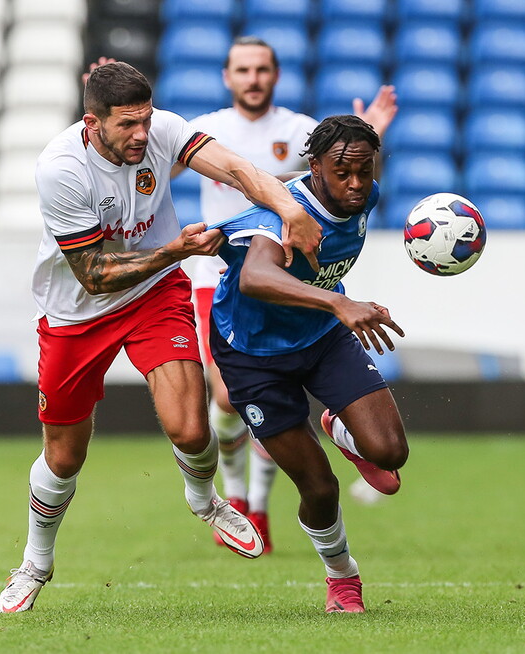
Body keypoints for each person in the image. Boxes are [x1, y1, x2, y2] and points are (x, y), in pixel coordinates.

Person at [0, 61, 323, 613]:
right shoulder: (60, 168)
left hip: (155, 294)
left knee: (192, 428)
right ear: (91, 123)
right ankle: (35, 563)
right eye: (127, 125)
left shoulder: (162, 130)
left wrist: (289, 208)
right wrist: (174, 250)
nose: (141, 135)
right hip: (77, 312)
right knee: (65, 456)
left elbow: (238, 170)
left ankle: (205, 501)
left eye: (145, 120)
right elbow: (94, 274)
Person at [174, 36, 400, 550]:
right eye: (242, 69)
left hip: (307, 303)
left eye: (262, 69)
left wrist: (373, 138)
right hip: (228, 279)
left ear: (275, 75)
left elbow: (353, 167)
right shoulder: (205, 131)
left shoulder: (304, 133)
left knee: (378, 449)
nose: (253, 78)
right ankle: (239, 500)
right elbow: (154, 172)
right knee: (228, 400)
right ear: (228, 76)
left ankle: (294, 468)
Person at [207, 115, 408, 613]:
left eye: (366, 170)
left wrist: (342, 306)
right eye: (343, 172)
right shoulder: (282, 212)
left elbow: (330, 267)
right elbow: (254, 277)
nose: (357, 184)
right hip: (252, 353)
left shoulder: (367, 197)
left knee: (390, 453)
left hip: (320, 338)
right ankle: (342, 577)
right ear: (314, 166)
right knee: (319, 487)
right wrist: (341, 303)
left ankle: (340, 429)